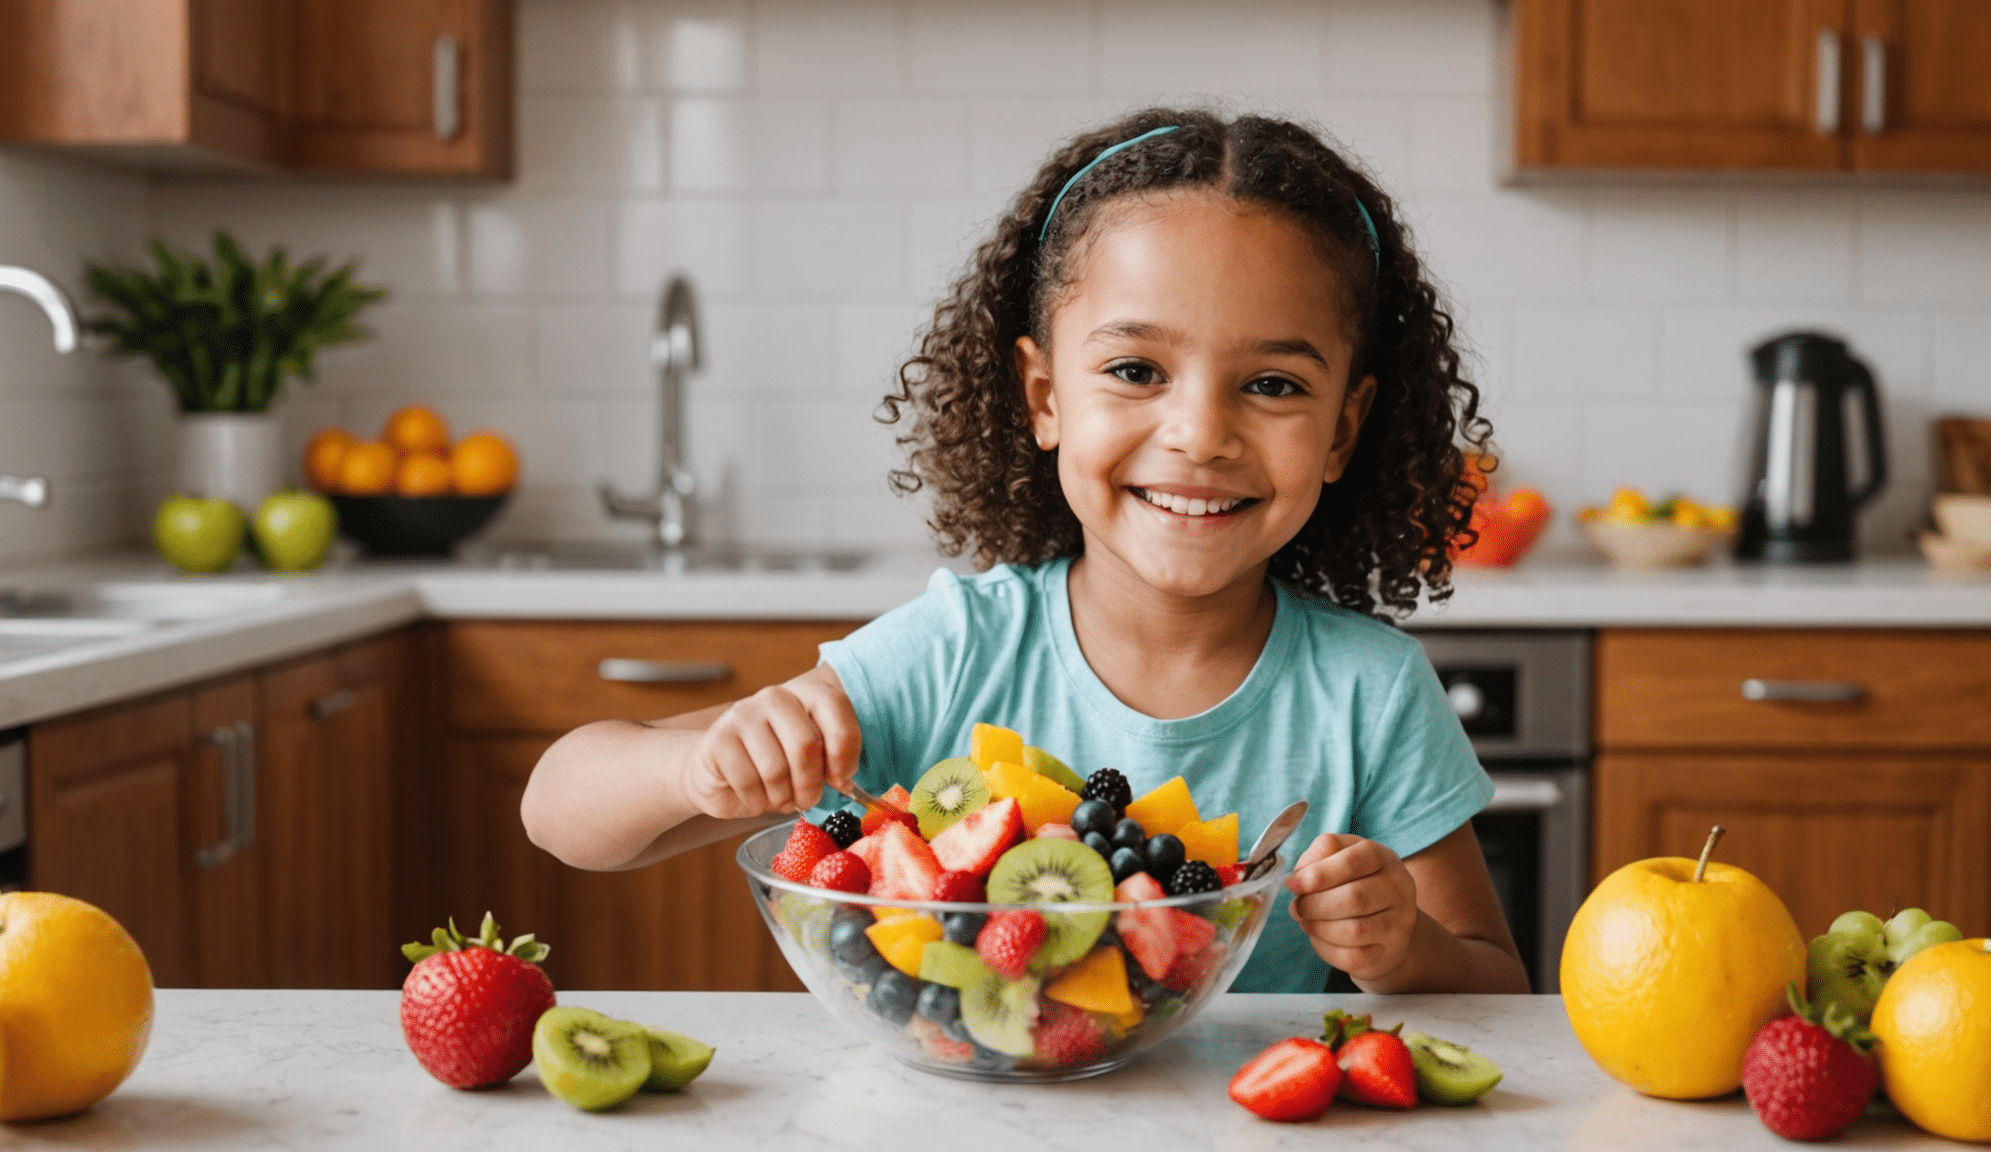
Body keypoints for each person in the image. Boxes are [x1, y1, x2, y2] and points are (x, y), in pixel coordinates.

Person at [524, 108, 1528, 995]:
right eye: (1137, 370)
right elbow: (559, 811)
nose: (1199, 434)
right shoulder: (957, 652)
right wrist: (699, 765)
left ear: (1344, 431)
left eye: (1272, 385)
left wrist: (1404, 954)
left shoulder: (1372, 693)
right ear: (1046, 398)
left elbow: (1494, 980)